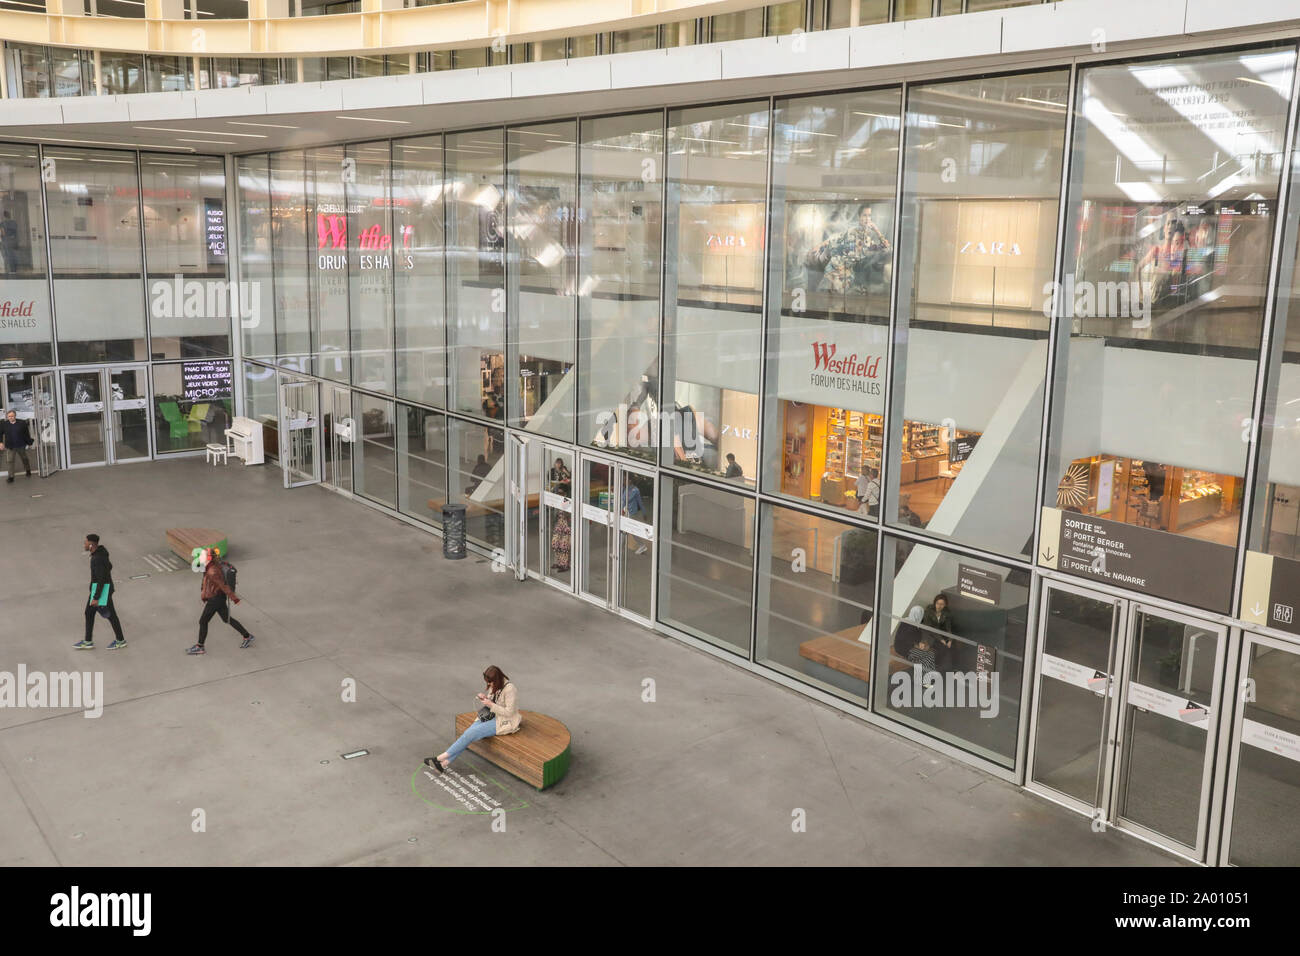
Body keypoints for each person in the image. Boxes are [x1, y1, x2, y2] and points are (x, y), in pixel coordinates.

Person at [425, 665, 520, 772]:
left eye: (490, 682)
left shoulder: (510, 689)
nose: (489, 684)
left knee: (470, 734)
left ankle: (439, 758)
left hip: (504, 721)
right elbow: (494, 700)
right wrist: (485, 698)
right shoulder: (496, 684)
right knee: (468, 733)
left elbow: (509, 712)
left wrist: (490, 705)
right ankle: (443, 764)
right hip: (492, 715)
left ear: (496, 679)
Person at [186, 549, 253, 655]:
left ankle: (200, 646)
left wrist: (234, 598)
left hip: (215, 600)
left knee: (203, 621)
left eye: (202, 555)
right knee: (227, 619)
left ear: (208, 558)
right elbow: (208, 583)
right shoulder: (209, 567)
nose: (199, 557)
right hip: (218, 598)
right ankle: (247, 636)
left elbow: (223, 585)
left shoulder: (212, 571)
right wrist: (204, 595)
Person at [74, 534, 126, 650]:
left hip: (102, 591)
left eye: (86, 542)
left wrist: (96, 597)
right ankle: (88, 641)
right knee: (89, 613)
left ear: (91, 544)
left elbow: (101, 579)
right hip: (101, 589)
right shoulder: (101, 553)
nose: (84, 544)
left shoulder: (97, 559)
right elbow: (109, 566)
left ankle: (120, 640)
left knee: (111, 615)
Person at [924, 593, 955, 672]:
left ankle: (946, 668)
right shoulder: (928, 611)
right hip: (930, 635)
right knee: (943, 647)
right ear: (935, 603)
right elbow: (929, 629)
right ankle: (946, 669)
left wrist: (950, 640)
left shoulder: (947, 613)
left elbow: (948, 628)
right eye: (937, 603)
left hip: (940, 634)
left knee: (950, 646)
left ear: (945, 605)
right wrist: (942, 640)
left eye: (942, 604)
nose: (939, 606)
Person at [1, 409, 33, 482]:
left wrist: (29, 443)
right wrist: (1, 443)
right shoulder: (4, 424)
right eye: (9, 416)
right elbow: (0, 433)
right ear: (7, 417)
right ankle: (11, 477)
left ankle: (28, 470)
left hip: (21, 445)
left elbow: (26, 434)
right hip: (10, 446)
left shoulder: (22, 423)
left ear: (15, 416)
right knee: (10, 461)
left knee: (24, 459)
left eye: (12, 416)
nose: (10, 418)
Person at [622, 480, 648, 555]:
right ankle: (618, 550)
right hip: (625, 512)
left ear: (630, 480)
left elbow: (638, 502)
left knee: (630, 530)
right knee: (624, 531)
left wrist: (644, 513)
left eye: (624, 479)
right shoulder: (625, 488)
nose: (623, 481)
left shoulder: (635, 490)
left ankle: (642, 545)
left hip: (632, 513)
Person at [0, 210, 19, 274]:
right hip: (13, 241)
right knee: (13, 255)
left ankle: (10, 270)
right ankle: (14, 269)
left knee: (7, 255)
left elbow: (3, 233)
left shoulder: (2, 223)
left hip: (6, 241)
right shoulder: (14, 222)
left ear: (3, 216)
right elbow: (15, 233)